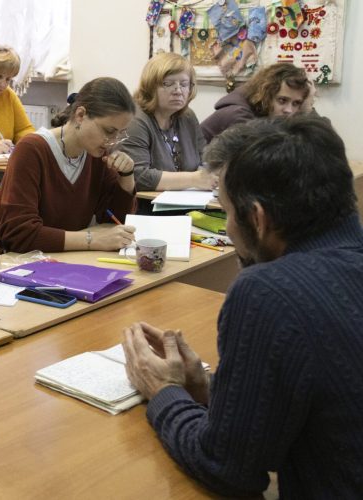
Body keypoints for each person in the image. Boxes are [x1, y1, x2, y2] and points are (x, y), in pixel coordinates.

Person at [122, 115, 363, 497]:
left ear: (258, 218)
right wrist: (207, 387)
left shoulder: (267, 291)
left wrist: (164, 390)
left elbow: (227, 468)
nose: (229, 230)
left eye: (227, 212)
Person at [0, 77, 138, 253]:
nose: (113, 142)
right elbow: (19, 234)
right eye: (109, 131)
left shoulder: (97, 154)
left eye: (120, 134)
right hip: (25, 265)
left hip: (71, 261)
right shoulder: (31, 150)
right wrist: (93, 240)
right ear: (80, 115)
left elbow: (115, 221)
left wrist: (127, 177)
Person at [121, 53, 215, 192]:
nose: (178, 91)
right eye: (168, 84)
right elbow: (138, 176)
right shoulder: (135, 120)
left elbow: (206, 159)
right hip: (145, 207)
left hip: (188, 203)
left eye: (184, 84)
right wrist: (195, 179)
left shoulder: (187, 116)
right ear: (150, 86)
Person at [200, 63, 314, 143]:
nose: (289, 110)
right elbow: (270, 161)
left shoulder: (267, 116)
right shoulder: (239, 116)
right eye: (282, 100)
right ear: (265, 95)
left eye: (296, 103)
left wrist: (307, 108)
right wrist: (307, 113)